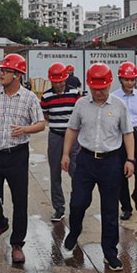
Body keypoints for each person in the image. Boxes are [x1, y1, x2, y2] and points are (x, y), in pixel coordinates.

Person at [61, 63, 135, 271]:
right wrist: (66, 154)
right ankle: (74, 231)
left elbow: (128, 133)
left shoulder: (119, 106)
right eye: (94, 88)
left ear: (109, 84)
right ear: (89, 85)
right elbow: (72, 129)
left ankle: (110, 253)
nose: (98, 92)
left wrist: (130, 160)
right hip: (86, 160)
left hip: (111, 162)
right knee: (78, 202)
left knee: (110, 210)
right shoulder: (81, 104)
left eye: (102, 88)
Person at [0, 53, 45, 264]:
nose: (1, 74)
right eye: (2, 71)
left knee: (19, 200)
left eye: (6, 71)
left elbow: (41, 123)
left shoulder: (29, 98)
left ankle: (17, 244)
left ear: (17, 75)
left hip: (17, 155)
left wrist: (25, 129)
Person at [40, 62, 81, 222]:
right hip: (56, 136)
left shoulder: (75, 93)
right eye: (55, 82)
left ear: (65, 79)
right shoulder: (46, 96)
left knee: (76, 171)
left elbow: (79, 114)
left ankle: (77, 204)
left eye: (60, 81)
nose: (58, 84)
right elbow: (46, 116)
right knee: (55, 173)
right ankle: (59, 208)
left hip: (73, 137)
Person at [112, 62, 137, 219]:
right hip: (120, 136)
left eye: (132, 80)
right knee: (121, 174)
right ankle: (126, 207)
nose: (130, 83)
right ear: (120, 79)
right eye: (127, 79)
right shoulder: (114, 97)